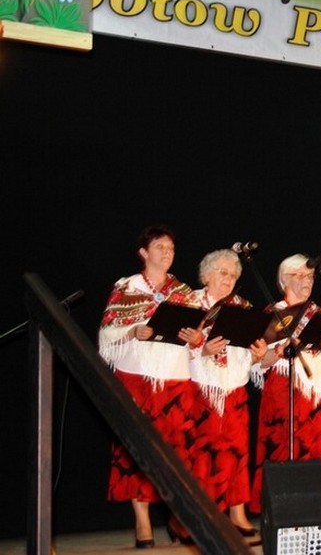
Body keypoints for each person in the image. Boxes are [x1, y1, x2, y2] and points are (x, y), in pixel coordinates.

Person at [97, 224, 198, 548]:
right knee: (135, 449)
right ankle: (142, 520)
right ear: (143, 252)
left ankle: (177, 513)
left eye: (171, 248)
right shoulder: (126, 286)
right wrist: (133, 331)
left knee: (177, 451)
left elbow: (200, 336)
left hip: (175, 378)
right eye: (159, 247)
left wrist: (196, 337)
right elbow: (107, 333)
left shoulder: (184, 292)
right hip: (137, 377)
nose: (167, 253)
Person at [179, 249, 267, 543]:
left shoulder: (243, 307)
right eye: (222, 273)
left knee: (238, 452)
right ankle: (201, 517)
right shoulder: (189, 303)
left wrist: (257, 355)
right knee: (201, 455)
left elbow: (246, 351)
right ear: (206, 276)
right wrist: (201, 349)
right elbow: (167, 347)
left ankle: (237, 514)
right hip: (200, 388)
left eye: (232, 275)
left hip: (234, 388)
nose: (228, 279)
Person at [249, 254, 321, 514]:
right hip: (285, 389)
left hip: (320, 390)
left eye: (310, 276)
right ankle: (284, 509)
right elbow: (260, 361)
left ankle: (319, 509)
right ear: (284, 280)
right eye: (299, 275)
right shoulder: (273, 314)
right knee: (285, 449)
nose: (307, 280)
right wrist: (281, 350)